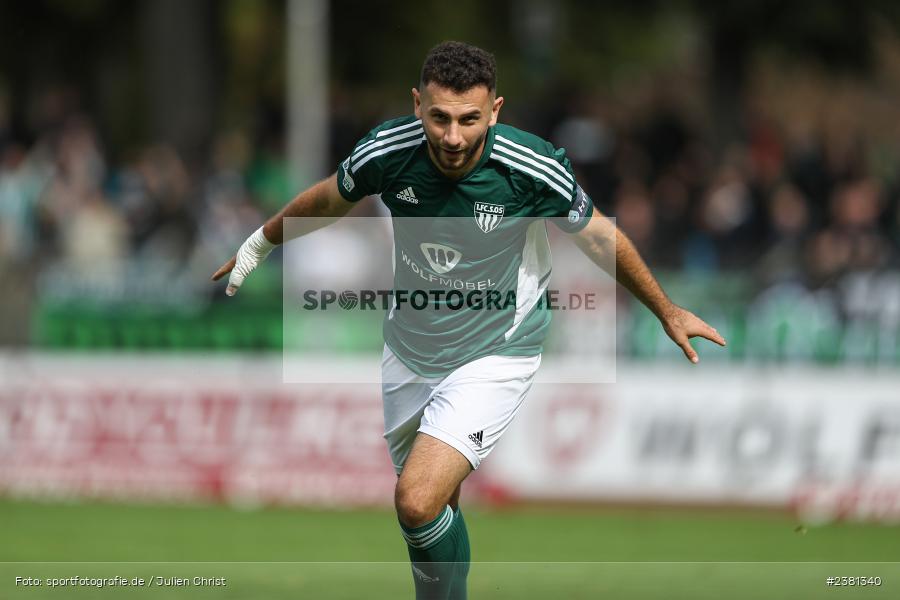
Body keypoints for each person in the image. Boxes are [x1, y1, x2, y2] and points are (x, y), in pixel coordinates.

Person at [212, 41, 726, 599]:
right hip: (408, 350)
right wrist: (261, 242)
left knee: (416, 499)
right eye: (439, 118)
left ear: (495, 111)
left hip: (497, 350)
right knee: (433, 514)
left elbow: (601, 236)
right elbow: (330, 200)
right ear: (417, 106)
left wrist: (666, 310)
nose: (453, 137)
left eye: (469, 119)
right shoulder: (386, 151)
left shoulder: (530, 166)